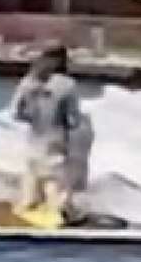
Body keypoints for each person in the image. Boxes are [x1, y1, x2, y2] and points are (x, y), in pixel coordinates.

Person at [9, 45, 85, 226]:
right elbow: (73, 119)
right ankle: (59, 213)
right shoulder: (67, 84)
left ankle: (28, 207)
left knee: (31, 180)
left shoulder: (28, 82)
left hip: (34, 139)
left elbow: (17, 114)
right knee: (55, 181)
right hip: (56, 140)